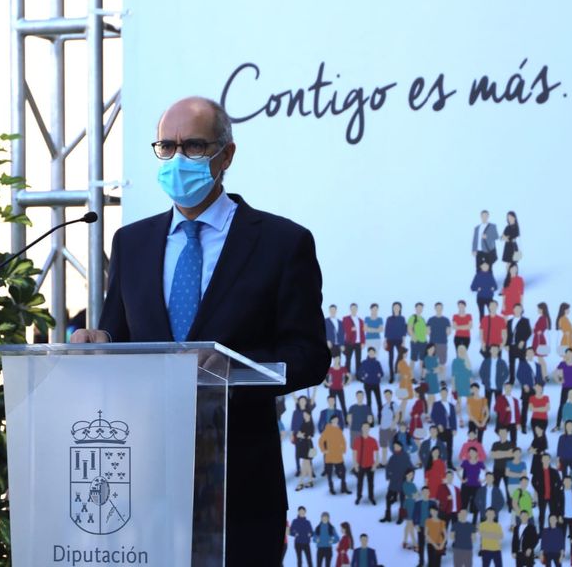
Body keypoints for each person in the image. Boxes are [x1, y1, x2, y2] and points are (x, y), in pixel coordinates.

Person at [79, 97, 331, 562]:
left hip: (240, 484)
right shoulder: (131, 243)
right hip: (142, 482)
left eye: (194, 147)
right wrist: (100, 343)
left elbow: (310, 354)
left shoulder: (282, 243)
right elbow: (117, 334)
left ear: (226, 156)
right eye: (167, 147)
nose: (179, 160)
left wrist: (238, 370)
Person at [382, 440, 412, 523]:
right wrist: (388, 476)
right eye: (394, 447)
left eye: (397, 446)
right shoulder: (392, 457)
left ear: (401, 447)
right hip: (393, 481)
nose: (396, 448)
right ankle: (388, 516)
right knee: (388, 498)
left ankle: (401, 517)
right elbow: (388, 467)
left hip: (402, 482)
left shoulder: (405, 456)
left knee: (402, 501)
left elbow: (411, 469)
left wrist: (409, 480)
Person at [318, 414, 349, 495]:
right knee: (329, 474)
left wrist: (343, 450)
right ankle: (331, 489)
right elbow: (321, 441)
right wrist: (324, 450)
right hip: (330, 456)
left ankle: (343, 488)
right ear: (331, 421)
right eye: (334, 420)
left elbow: (343, 441)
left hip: (338, 455)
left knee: (343, 471)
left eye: (337, 420)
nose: (336, 421)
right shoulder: (327, 430)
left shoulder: (339, 430)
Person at [532, 452, 561, 531]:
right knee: (541, 515)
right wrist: (538, 490)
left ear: (549, 460)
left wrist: (556, 490)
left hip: (552, 496)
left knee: (553, 514)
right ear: (541, 460)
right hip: (542, 496)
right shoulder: (538, 471)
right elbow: (533, 481)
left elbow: (559, 482)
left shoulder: (554, 471)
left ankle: (553, 530)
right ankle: (541, 532)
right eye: (544, 459)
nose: (546, 460)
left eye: (547, 459)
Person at [352, 422, 378, 505]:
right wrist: (355, 464)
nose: (366, 429)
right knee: (359, 483)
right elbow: (354, 453)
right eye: (364, 427)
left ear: (369, 429)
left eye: (367, 427)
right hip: (360, 465)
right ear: (362, 428)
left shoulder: (373, 440)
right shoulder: (357, 440)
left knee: (371, 483)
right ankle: (359, 497)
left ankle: (371, 497)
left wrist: (375, 464)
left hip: (370, 465)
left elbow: (376, 454)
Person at [517, 348, 542, 434]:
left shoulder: (538, 365)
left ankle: (536, 427)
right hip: (526, 389)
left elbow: (541, 378)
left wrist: (539, 387)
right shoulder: (523, 364)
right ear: (526, 354)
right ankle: (523, 427)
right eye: (528, 353)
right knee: (525, 409)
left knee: (537, 409)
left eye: (531, 352)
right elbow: (519, 375)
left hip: (536, 390)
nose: (530, 354)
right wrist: (524, 384)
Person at [505, 303, 531, 385]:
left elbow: (529, 332)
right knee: (511, 364)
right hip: (511, 346)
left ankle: (523, 380)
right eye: (515, 308)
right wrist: (506, 344)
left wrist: (523, 341)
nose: (517, 310)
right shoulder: (509, 321)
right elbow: (507, 334)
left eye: (519, 308)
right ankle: (511, 380)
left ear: (522, 310)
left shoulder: (525, 320)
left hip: (520, 346)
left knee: (522, 363)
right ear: (513, 310)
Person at [412, 486, 437, 567]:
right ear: (422, 493)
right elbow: (414, 515)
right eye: (424, 492)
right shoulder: (417, 504)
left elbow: (436, 515)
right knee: (421, 546)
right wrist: (416, 525)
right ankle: (421, 562)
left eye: (427, 492)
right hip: (421, 527)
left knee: (431, 546)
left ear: (429, 493)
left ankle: (431, 563)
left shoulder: (433, 503)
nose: (425, 493)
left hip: (430, 528)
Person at [460, 447, 486, 523]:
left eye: (473, 452)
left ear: (476, 453)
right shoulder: (465, 462)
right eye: (470, 452)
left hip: (476, 486)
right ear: (468, 453)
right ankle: (462, 521)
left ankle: (474, 522)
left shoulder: (479, 463)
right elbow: (457, 470)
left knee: (476, 505)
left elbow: (487, 472)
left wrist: (482, 480)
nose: (471, 453)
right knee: (464, 504)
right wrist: (462, 480)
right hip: (466, 486)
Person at [480, 343, 509, 409]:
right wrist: (485, 381)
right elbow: (481, 372)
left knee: (499, 405)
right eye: (492, 349)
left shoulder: (502, 362)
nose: (494, 351)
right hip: (488, 387)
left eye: (496, 350)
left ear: (498, 351)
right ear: (490, 350)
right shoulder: (486, 361)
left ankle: (499, 419)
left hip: (498, 387)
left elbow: (506, 372)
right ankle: (487, 419)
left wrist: (501, 381)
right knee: (487, 406)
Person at [356, 347, 384, 414]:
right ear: (368, 353)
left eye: (373, 352)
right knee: (369, 402)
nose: (371, 354)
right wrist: (363, 376)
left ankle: (380, 418)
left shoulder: (377, 363)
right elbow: (359, 373)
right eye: (370, 352)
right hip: (367, 384)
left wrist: (380, 375)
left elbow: (382, 373)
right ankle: (370, 420)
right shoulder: (364, 362)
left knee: (379, 401)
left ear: (375, 353)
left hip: (376, 384)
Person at [451, 345, 473, 427]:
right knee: (458, 402)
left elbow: (470, 376)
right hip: (458, 384)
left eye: (462, 350)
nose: (461, 352)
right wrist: (453, 387)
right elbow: (453, 376)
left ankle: (470, 418)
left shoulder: (467, 361)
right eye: (459, 350)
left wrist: (472, 386)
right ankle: (460, 420)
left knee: (469, 402)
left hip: (467, 384)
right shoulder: (455, 361)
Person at [364, 304, 386, 382]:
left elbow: (381, 330)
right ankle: (368, 374)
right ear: (370, 309)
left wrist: (371, 329)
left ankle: (376, 374)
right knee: (369, 356)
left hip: (377, 340)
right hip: (369, 339)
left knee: (376, 356)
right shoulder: (367, 318)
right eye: (373, 309)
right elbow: (365, 329)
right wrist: (376, 329)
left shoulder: (380, 319)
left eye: (376, 309)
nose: (374, 310)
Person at [386, 302, 407, 383]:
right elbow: (387, 330)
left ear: (400, 308)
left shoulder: (402, 318)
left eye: (398, 307)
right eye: (394, 307)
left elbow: (404, 330)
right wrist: (385, 341)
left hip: (399, 340)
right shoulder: (389, 318)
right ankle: (391, 376)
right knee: (390, 358)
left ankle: (398, 373)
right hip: (390, 340)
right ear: (392, 308)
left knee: (401, 357)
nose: (396, 308)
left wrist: (404, 341)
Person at [427, 302, 452, 371]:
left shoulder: (446, 320)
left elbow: (449, 332)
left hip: (443, 343)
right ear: (435, 308)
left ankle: (442, 380)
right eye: (437, 307)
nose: (439, 309)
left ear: (442, 308)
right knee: (432, 362)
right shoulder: (430, 320)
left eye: (440, 307)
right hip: (432, 344)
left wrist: (441, 336)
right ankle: (432, 379)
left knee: (442, 363)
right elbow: (428, 331)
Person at [342, 303, 366, 374]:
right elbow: (343, 329)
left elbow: (362, 332)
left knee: (358, 360)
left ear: (357, 309)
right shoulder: (345, 319)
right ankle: (347, 375)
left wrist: (363, 342)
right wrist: (351, 329)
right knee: (348, 359)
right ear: (350, 309)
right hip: (349, 342)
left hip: (358, 343)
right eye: (352, 308)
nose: (354, 310)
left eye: (355, 308)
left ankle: (358, 375)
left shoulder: (360, 320)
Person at [377, 388, 397, 467]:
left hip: (390, 429)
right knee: (384, 446)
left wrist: (393, 424)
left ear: (391, 395)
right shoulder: (383, 406)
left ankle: (397, 461)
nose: (387, 396)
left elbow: (397, 415)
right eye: (385, 395)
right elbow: (382, 417)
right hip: (382, 429)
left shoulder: (393, 404)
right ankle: (384, 462)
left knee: (393, 446)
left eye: (388, 395)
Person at [295, 410, 315, 490]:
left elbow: (309, 435)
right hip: (303, 446)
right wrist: (302, 435)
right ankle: (310, 481)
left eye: (306, 415)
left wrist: (302, 435)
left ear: (309, 415)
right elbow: (298, 434)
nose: (305, 416)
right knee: (308, 465)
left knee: (304, 465)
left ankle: (301, 483)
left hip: (308, 446)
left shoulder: (311, 424)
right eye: (304, 415)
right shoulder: (303, 423)